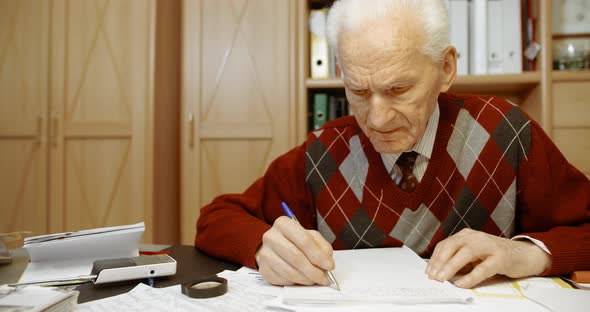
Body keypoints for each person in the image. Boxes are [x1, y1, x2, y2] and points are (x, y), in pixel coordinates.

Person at [195, 0, 590, 289]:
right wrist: (264, 245)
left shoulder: (505, 131)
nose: (377, 119)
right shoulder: (322, 153)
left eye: (398, 89)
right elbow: (215, 220)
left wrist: (528, 253)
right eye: (358, 90)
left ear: (445, 68)